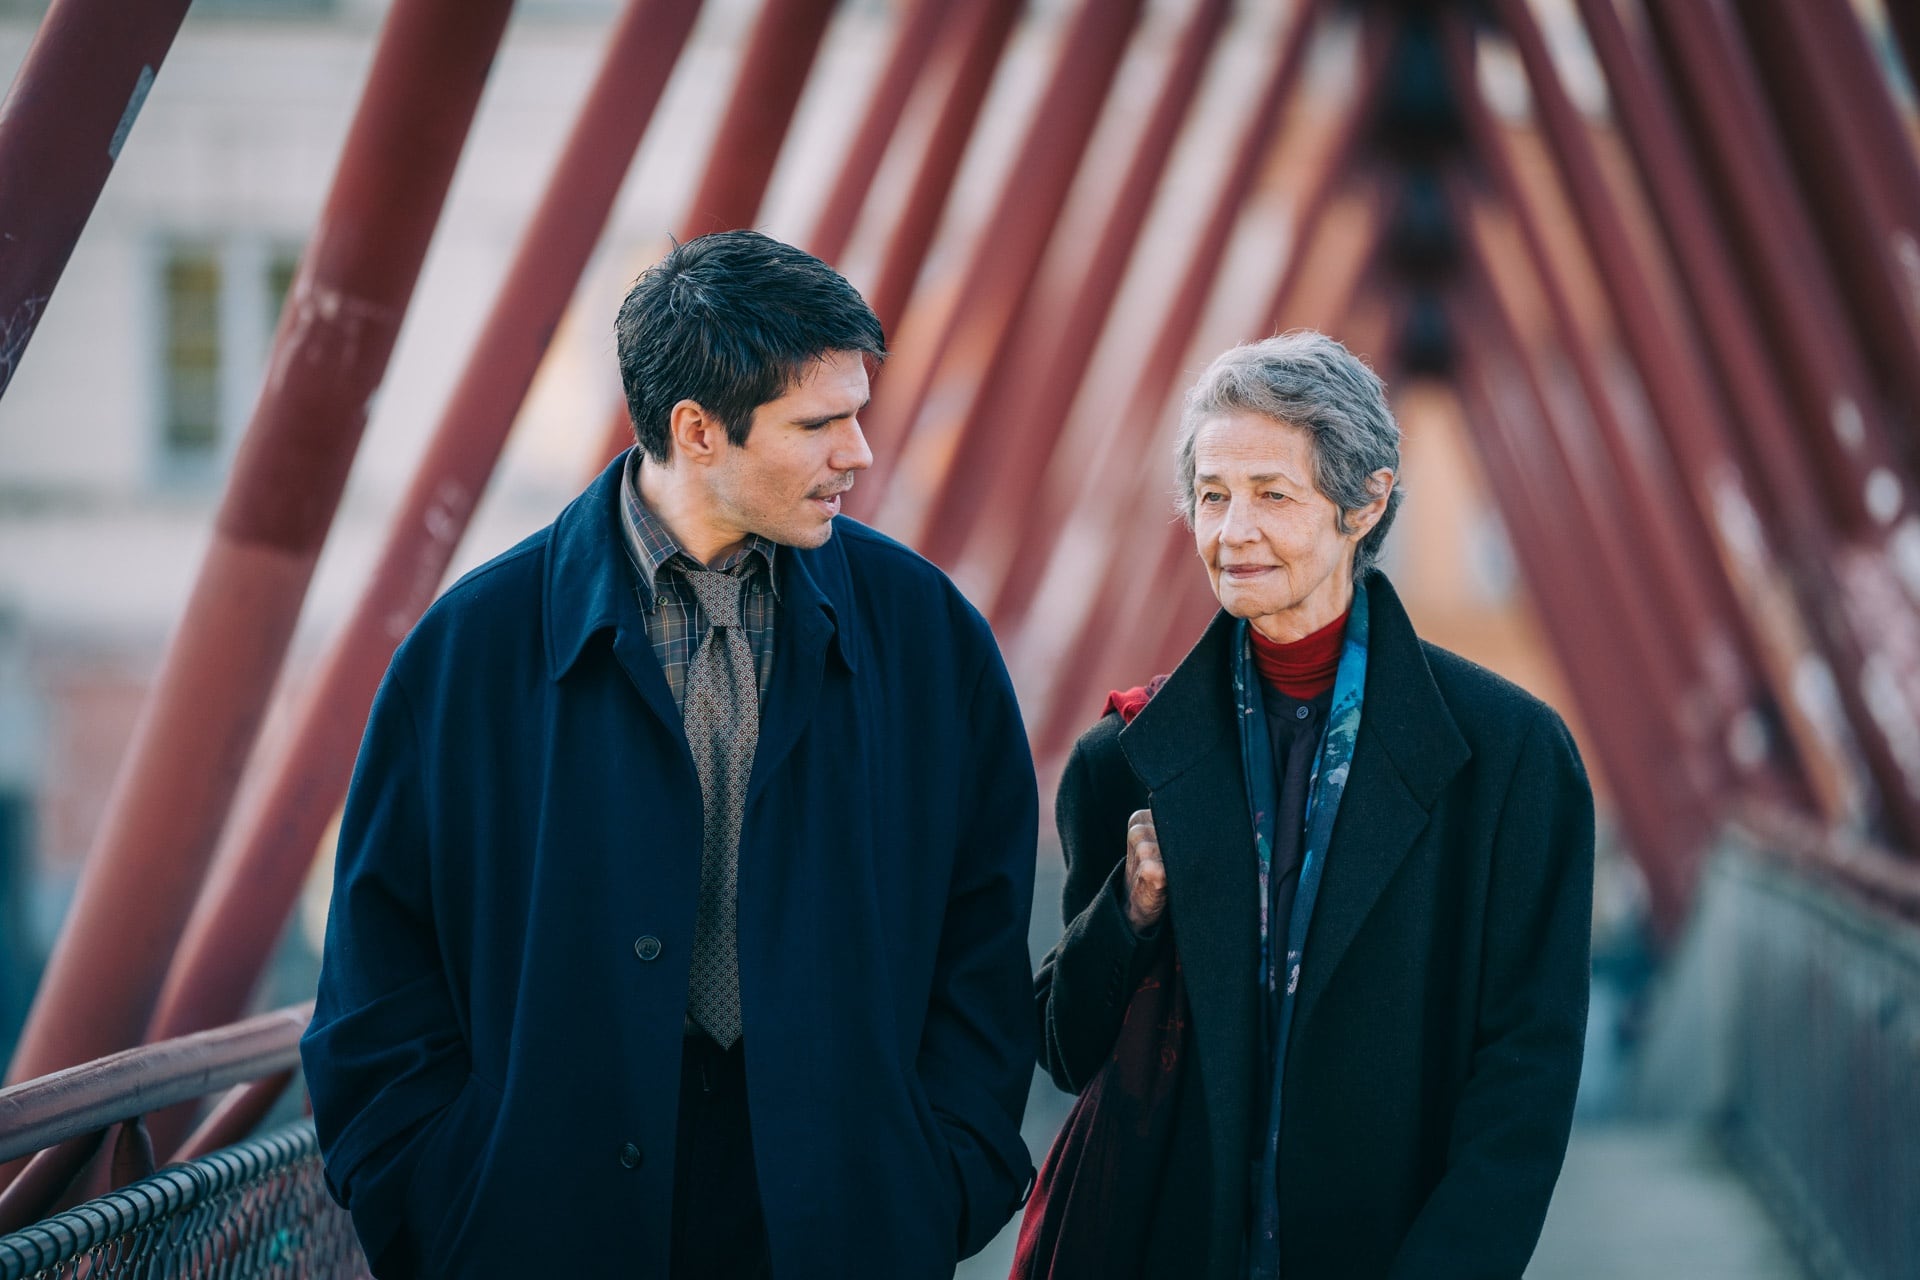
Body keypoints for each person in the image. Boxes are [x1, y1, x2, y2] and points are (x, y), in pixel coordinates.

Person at [302, 230, 1039, 1279]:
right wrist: (436, 1199)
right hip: (544, 1229)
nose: (858, 454)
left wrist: (941, 1172)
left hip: (841, 1223)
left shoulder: (929, 637)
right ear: (698, 430)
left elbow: (986, 927)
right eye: (820, 423)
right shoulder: (470, 652)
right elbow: (378, 971)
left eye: (858, 416)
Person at [1023, 332, 1593, 1278]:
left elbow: (1525, 1081)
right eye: (1213, 495)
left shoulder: (1512, 760)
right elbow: (1064, 1051)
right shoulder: (1121, 761)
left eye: (1272, 495)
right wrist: (1129, 913)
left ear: (1364, 503)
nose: (1231, 531)